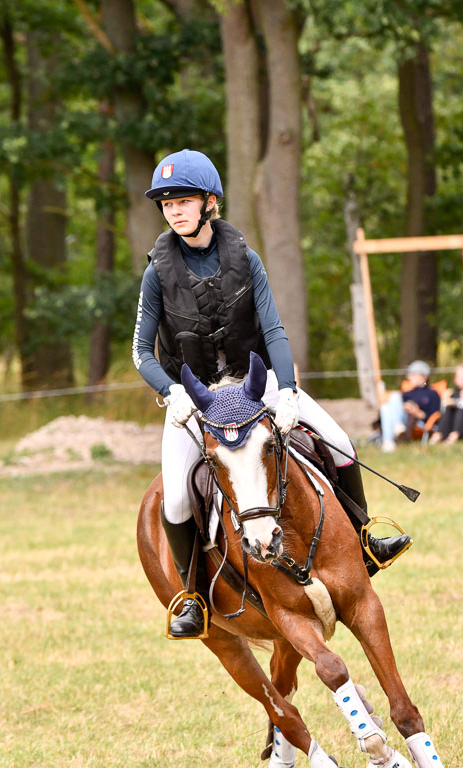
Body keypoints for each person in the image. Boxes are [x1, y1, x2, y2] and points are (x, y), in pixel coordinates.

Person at [132, 148, 410, 638]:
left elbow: (275, 331)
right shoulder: (156, 272)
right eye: (166, 203)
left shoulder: (247, 258)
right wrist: (170, 391)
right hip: (193, 402)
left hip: (257, 384)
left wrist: (288, 391)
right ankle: (193, 598)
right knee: (175, 497)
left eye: (182, 200)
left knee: (341, 443)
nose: (173, 210)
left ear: (209, 201)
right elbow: (141, 351)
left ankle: (365, 541)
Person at [380, 360, 441, 453]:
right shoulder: (407, 393)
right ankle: (393, 433)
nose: (409, 377)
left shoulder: (432, 394)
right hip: (404, 420)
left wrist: (418, 413)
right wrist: (405, 407)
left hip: (419, 422)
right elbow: (395, 408)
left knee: (390, 402)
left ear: (423, 377)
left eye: (413, 375)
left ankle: (388, 440)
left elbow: (436, 415)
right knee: (389, 403)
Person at [429, 364, 463, 446]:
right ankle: (439, 434)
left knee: (460, 409)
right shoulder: (455, 393)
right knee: (449, 408)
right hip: (452, 422)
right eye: (458, 376)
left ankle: (454, 435)